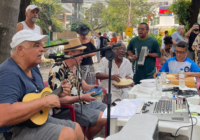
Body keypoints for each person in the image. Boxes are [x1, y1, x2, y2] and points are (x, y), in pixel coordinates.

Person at [0, 30, 86, 140]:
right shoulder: (8, 73)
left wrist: (58, 93)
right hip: (13, 131)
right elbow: (3, 116)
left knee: (76, 128)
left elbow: (38, 96)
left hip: (34, 119)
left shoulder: (33, 68)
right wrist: (44, 101)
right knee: (67, 134)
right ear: (20, 50)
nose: (42, 49)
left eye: (41, 45)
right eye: (36, 45)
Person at [48, 38, 107, 140]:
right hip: (66, 109)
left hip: (81, 102)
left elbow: (82, 84)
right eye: (81, 52)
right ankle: (86, 138)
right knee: (103, 117)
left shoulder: (76, 66)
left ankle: (85, 137)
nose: (83, 56)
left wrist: (92, 88)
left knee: (109, 111)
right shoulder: (57, 69)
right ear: (71, 53)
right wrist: (81, 98)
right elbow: (57, 100)